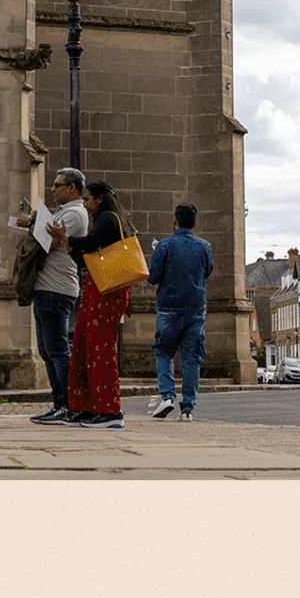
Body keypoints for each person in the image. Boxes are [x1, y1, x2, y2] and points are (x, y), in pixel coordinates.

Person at [51, 179, 133, 428]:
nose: (85, 205)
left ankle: (110, 410)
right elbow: (84, 258)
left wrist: (68, 237)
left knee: (100, 348)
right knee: (85, 346)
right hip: (97, 288)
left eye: (87, 200)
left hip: (107, 291)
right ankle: (88, 406)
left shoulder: (109, 218)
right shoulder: (104, 220)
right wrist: (67, 242)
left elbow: (87, 243)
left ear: (99, 199)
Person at [18, 168, 93, 425]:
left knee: (58, 350)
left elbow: (44, 243)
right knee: (48, 350)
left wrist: (33, 224)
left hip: (57, 289)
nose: (53, 189)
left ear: (72, 188)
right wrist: (32, 222)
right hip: (45, 288)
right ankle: (60, 403)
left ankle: (69, 404)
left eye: (58, 185)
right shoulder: (62, 213)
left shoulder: (74, 214)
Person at [146, 202, 214, 420]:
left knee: (164, 351)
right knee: (191, 357)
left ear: (174, 222)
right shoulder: (204, 246)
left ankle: (167, 396)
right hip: (195, 308)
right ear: (195, 223)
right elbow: (208, 271)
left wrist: (156, 254)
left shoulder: (164, 246)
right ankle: (188, 409)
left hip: (169, 306)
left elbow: (153, 277)